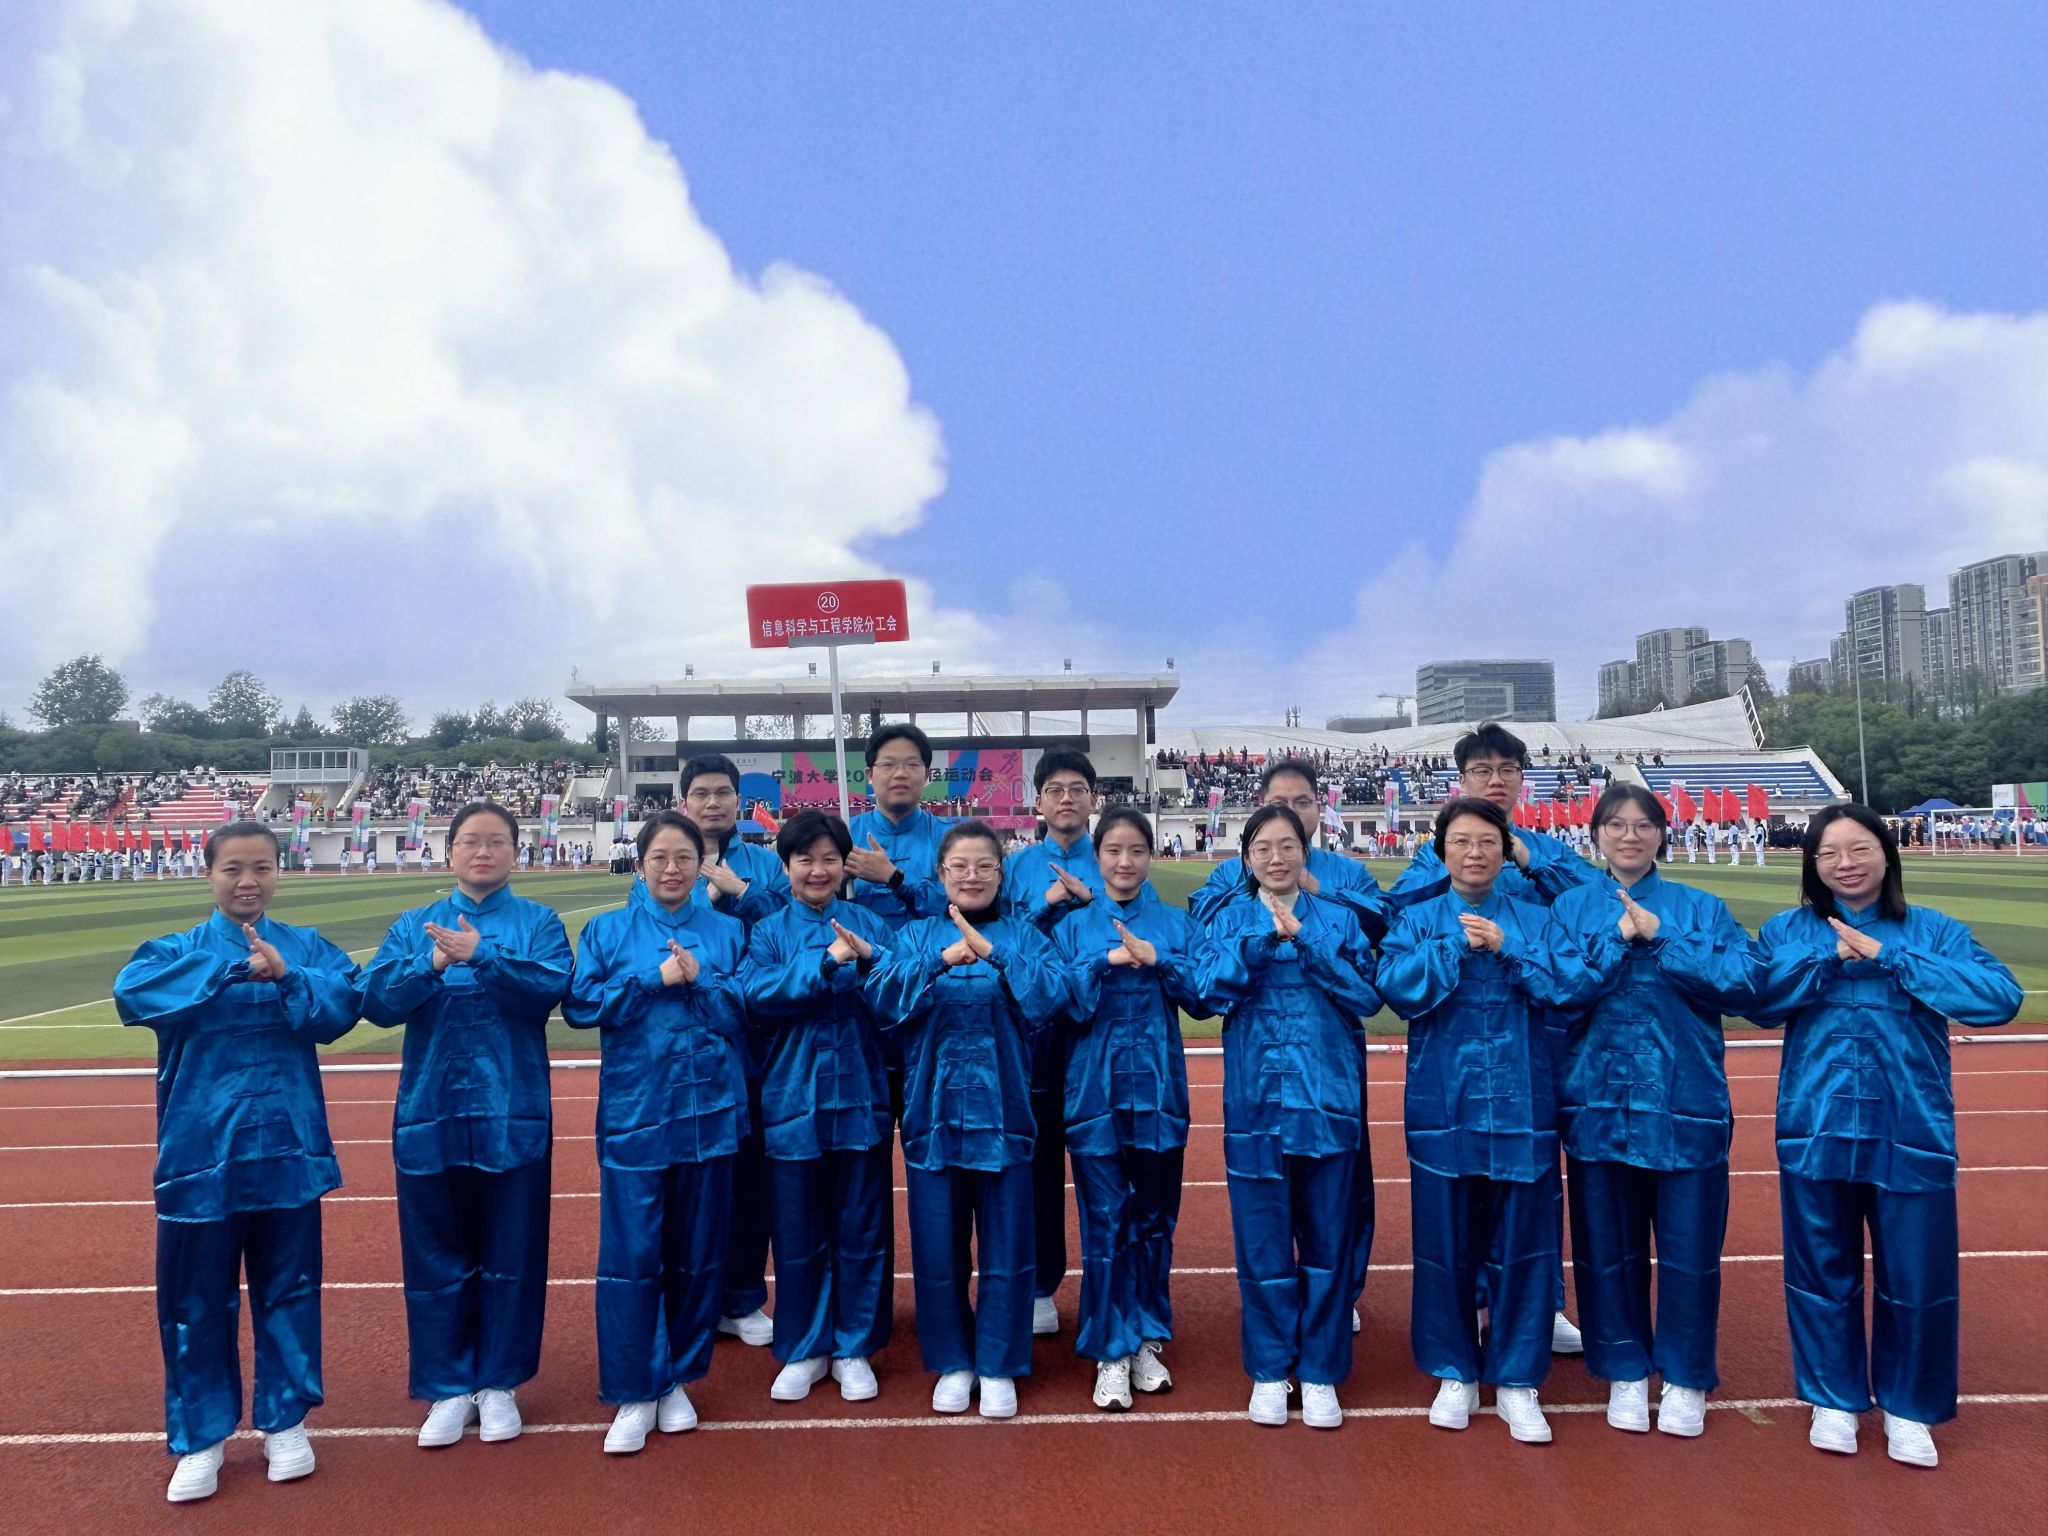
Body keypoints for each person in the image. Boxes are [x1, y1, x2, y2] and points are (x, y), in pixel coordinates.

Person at [1752, 804, 2021, 1468]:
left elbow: (1998, 998)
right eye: (1828, 854)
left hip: (1910, 1126)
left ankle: (1909, 1406)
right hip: (1816, 1125)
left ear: (1886, 853)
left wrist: (1889, 955)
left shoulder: (1933, 930)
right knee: (1820, 1269)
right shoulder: (1788, 930)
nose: (1845, 864)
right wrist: (1825, 957)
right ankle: (1833, 1397)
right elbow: (1756, 1001)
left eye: (1859, 848)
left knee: (1917, 1274)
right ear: (1812, 866)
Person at [113, 822, 365, 1504]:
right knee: (193, 1301)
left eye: (261, 867)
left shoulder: (307, 947)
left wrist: (287, 975)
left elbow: (346, 1004)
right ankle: (201, 1436)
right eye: (233, 868)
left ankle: (285, 1421)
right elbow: (134, 995)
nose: (247, 881)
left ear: (279, 872)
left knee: (290, 1289)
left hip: (287, 1148)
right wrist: (229, 969)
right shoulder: (173, 951)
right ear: (209, 874)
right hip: (202, 1151)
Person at [1541, 786, 1760, 1438]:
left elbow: (1744, 983)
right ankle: (1625, 1370)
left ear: (1663, 834)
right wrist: (1614, 940)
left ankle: (1687, 1377)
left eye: (1642, 825)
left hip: (1684, 1101)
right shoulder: (1571, 908)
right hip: (1598, 1101)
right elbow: (1554, 990)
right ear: (1596, 836)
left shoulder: (1700, 907)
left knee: (1691, 1250)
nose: (1629, 836)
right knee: (1606, 1249)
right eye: (1616, 825)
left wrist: (1665, 939)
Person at [361, 802, 573, 1450]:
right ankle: (448, 1385)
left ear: (517, 852)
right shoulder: (413, 925)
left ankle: (500, 1382)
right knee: (435, 1256)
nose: (483, 852)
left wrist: (483, 956)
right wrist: (430, 964)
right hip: (433, 1112)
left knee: (513, 1252)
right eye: (471, 841)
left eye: (497, 841)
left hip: (514, 1111)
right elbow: (374, 1001)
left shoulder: (538, 923)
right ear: (449, 852)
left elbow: (551, 989)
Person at [1387, 724, 1599, 1357]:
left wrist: (1528, 858)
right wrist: (1463, 862)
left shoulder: (1541, 850)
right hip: (1455, 1038)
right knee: (1457, 1177)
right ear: (1461, 781)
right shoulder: (1439, 854)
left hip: (1533, 1030)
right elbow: (1396, 915)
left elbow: (1593, 905)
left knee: (1534, 1176)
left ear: (1522, 779)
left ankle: (1541, 1303)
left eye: (1507, 769)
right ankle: (1473, 1307)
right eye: (1482, 770)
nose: (1495, 780)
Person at [1377, 797, 1577, 1445]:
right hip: (1445, 1103)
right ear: (1442, 852)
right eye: (1461, 841)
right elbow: (1395, 989)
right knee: (1445, 1245)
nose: (1474, 853)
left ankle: (1518, 1378)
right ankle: (1454, 1369)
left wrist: (1508, 946)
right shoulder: (1417, 919)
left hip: (1523, 1101)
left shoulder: (1536, 918)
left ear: (1505, 851)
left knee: (1525, 1245)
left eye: (1488, 841)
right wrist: (1450, 947)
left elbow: (1570, 986)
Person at [863, 819, 1067, 1419]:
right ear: (941, 874)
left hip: (1005, 1112)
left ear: (1001, 875)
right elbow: (881, 1000)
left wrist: (995, 955)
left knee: (1008, 1247)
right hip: (933, 1112)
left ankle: (1000, 1362)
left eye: (985, 866)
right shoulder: (916, 935)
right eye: (960, 866)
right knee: (938, 1248)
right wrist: (941, 959)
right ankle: (953, 1360)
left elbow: (1052, 996)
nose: (972, 876)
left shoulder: (1023, 934)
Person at [563, 811, 750, 1453]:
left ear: (702, 866)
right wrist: (651, 979)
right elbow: (581, 1005)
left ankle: (676, 1378)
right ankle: (635, 1388)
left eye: (684, 858)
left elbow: (746, 1012)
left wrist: (703, 980)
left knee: (699, 1253)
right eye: (660, 857)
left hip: (710, 1113)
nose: (672, 869)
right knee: (633, 1257)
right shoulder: (607, 930)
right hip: (637, 1112)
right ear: (640, 864)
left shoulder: (727, 931)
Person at [1189, 758, 1389, 1340]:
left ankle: (1338, 1297)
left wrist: (1317, 901)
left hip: (1330, 1065)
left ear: (1317, 811)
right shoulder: (1233, 883)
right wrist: (1258, 910)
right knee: (1264, 1202)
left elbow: (1378, 936)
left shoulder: (1345, 875)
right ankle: (1278, 1334)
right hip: (1259, 1074)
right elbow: (1206, 962)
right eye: (1277, 805)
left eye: (1301, 803)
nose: (1289, 817)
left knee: (1341, 1191)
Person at [1051, 807, 1213, 1411]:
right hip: (1094, 1092)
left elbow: (1206, 997)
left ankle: (1145, 1334)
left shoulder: (1175, 924)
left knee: (1154, 1220)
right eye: (1113, 850)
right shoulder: (1072, 928)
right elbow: (1056, 1002)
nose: (1125, 862)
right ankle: (1111, 1351)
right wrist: (1105, 961)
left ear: (1151, 856)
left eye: (1136, 850)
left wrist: (1160, 959)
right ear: (1097, 857)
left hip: (1159, 1091)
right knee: (1106, 1220)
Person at [738, 811, 897, 1403]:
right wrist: (825, 962)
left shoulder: (870, 923)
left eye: (830, 858)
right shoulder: (768, 932)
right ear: (786, 867)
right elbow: (756, 995)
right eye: (805, 859)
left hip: (860, 1094)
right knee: (797, 1232)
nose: (818, 870)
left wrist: (872, 962)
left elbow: (900, 1000)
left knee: (862, 1228)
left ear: (844, 867)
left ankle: (854, 1345)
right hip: (793, 1097)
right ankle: (804, 1346)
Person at [680, 753, 794, 1347]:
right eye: (702, 793)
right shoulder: (664, 861)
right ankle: (694, 1301)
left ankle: (743, 1297)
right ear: (684, 802)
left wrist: (741, 892)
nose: (713, 802)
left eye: (723, 792)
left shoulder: (767, 864)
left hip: (756, 1041)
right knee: (693, 1181)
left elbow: (792, 924)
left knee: (751, 1179)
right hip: (686, 1048)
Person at [1000, 747, 1108, 1338]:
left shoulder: (1111, 857)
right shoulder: (1016, 868)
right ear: (1037, 800)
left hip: (1098, 1035)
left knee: (1103, 1166)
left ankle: (1109, 1288)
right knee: (1037, 1167)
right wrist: (1044, 908)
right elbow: (999, 938)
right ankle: (1041, 1283)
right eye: (1055, 789)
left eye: (1077, 788)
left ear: (1093, 798)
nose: (1066, 798)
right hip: (1033, 1037)